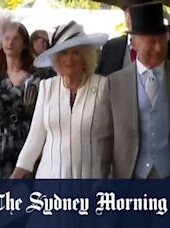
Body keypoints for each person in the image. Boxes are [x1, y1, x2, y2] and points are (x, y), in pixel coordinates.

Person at [92, 2, 170, 179]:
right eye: (151, 42)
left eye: (162, 40)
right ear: (134, 44)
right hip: (131, 181)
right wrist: (99, 182)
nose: (159, 48)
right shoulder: (114, 83)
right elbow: (103, 139)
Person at [11, 21, 108, 179]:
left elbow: (111, 138)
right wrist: (15, 177)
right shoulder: (46, 87)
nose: (69, 59)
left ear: (85, 56)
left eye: (75, 52)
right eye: (63, 53)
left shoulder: (103, 86)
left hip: (90, 181)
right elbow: (35, 138)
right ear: (56, 58)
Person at [0, 14, 39, 179]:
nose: (10, 42)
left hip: (26, 141)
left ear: (24, 44)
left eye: (15, 39)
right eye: (7, 38)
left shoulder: (36, 77)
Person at [96, 0, 153, 76]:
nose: (134, 18)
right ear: (125, 14)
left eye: (139, 12)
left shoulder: (160, 47)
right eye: (130, 12)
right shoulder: (110, 47)